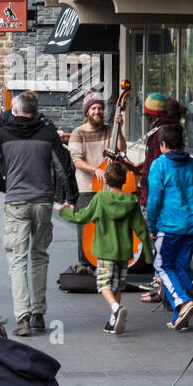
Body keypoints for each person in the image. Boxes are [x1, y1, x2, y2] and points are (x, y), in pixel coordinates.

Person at [0, 91, 78, 337]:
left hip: (16, 201)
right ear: (36, 111)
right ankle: (38, 314)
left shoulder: (3, 134)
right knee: (39, 256)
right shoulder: (47, 133)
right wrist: (71, 198)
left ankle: (22, 318)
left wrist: (4, 186)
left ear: (15, 111)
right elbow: (64, 165)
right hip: (43, 201)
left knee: (17, 260)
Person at [59, 159, 151, 334]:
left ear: (105, 180)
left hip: (105, 251)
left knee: (103, 285)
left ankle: (116, 308)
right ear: (125, 180)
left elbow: (82, 217)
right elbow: (141, 229)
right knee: (117, 285)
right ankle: (113, 321)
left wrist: (65, 211)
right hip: (124, 252)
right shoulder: (131, 201)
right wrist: (148, 254)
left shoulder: (101, 198)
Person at [146, 123, 193, 330]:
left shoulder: (159, 165)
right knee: (181, 268)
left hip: (168, 227)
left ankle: (183, 302)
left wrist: (151, 224)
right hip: (192, 227)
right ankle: (180, 317)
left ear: (164, 144)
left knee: (162, 265)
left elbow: (154, 200)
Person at [67, 91, 127, 264]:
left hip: (108, 186)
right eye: (93, 108)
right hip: (86, 187)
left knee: (108, 227)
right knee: (86, 228)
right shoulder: (78, 133)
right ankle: (86, 264)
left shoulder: (110, 131)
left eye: (100, 108)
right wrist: (95, 170)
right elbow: (77, 161)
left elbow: (121, 152)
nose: (97, 111)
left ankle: (106, 262)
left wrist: (120, 130)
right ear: (87, 112)